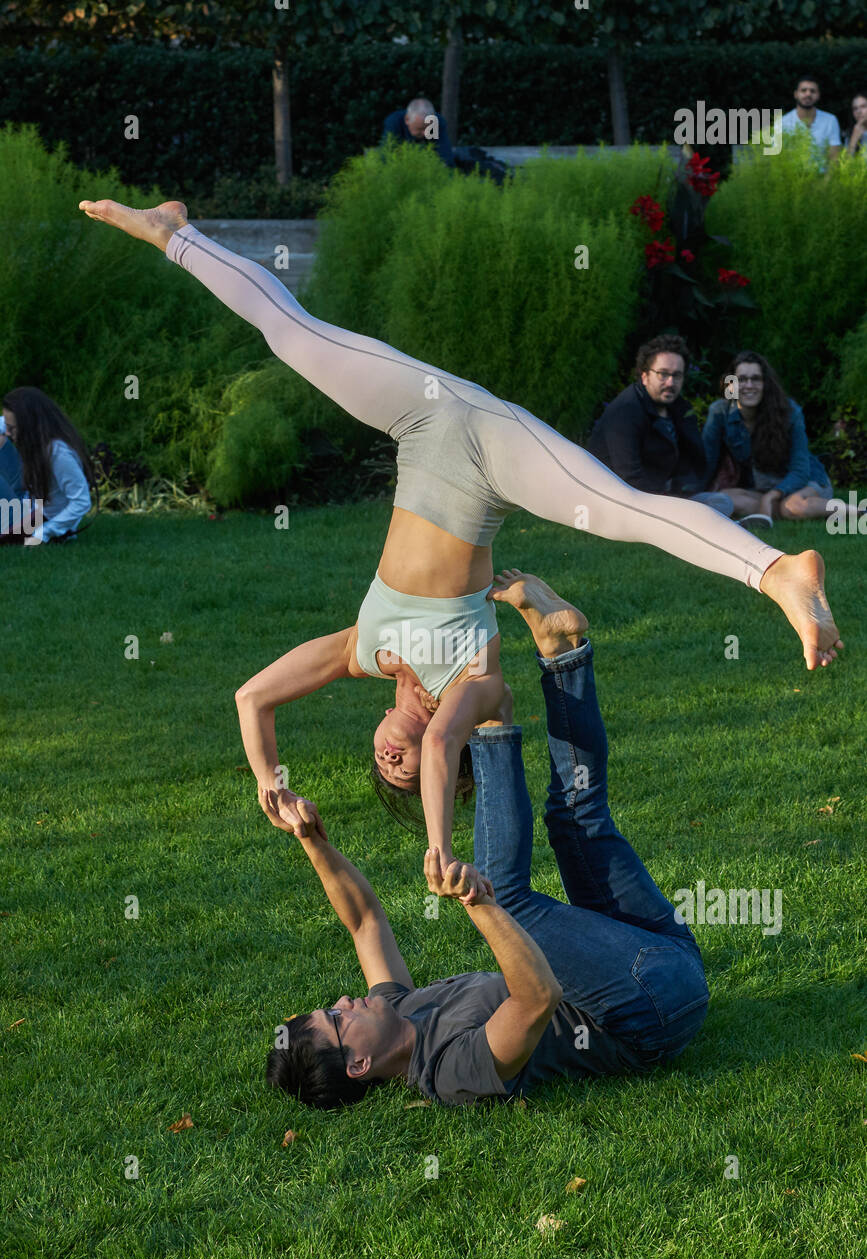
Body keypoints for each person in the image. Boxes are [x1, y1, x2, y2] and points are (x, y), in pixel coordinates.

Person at [76, 197, 843, 875]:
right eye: (401, 772)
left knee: (290, 335)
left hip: (420, 416)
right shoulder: (472, 688)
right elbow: (443, 746)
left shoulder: (361, 654)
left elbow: (253, 698)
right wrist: (439, 847)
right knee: (619, 509)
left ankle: (176, 233)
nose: (394, 760)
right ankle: (776, 570)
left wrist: (268, 781)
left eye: (386, 765)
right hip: (489, 455)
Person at [264, 573, 709, 1109]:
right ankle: (494, 721)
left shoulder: (399, 1006)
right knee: (508, 896)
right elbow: (538, 999)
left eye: (330, 1006)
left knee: (577, 817)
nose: (342, 1001)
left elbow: (365, 923)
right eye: (336, 1019)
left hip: (662, 950)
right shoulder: (449, 1073)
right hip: (650, 1010)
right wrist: (479, 903)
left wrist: (314, 842)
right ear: (357, 1064)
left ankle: (563, 650)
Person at [587, 334, 734, 516]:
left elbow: (693, 464)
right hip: (622, 502)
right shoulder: (626, 410)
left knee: (721, 502)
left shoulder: (680, 410)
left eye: (677, 375)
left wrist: (681, 493)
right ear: (645, 375)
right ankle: (717, 524)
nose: (670, 382)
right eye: (663, 374)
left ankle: (709, 522)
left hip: (664, 498)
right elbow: (629, 477)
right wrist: (667, 501)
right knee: (708, 509)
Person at [703, 352, 841, 524]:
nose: (749, 385)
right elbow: (707, 461)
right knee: (724, 497)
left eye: (756, 379)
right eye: (742, 379)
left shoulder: (789, 411)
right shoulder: (720, 412)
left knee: (793, 507)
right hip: (764, 486)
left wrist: (770, 497)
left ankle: (859, 511)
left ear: (765, 383)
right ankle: (778, 509)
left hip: (805, 481)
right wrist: (688, 497)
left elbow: (800, 470)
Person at [0, 387, 93, 545]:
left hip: (33, 520)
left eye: (12, 428)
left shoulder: (59, 453)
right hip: (28, 501)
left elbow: (81, 501)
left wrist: (46, 532)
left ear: (29, 425)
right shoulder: (41, 436)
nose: (8, 433)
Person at [779, 77, 842, 168]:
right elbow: (779, 159)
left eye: (812, 91)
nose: (808, 94)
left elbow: (834, 158)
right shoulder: (782, 122)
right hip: (792, 178)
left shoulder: (830, 120)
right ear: (796, 94)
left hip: (823, 178)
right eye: (803, 90)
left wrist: (825, 182)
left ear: (818, 95)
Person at [380, 97, 456, 168]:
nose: (425, 133)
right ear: (407, 120)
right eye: (420, 128)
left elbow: (446, 158)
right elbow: (387, 157)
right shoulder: (394, 123)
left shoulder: (438, 122)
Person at [845, 93, 867, 157]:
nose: (859, 111)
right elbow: (846, 165)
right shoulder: (850, 134)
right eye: (855, 108)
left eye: (863, 106)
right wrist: (854, 139)